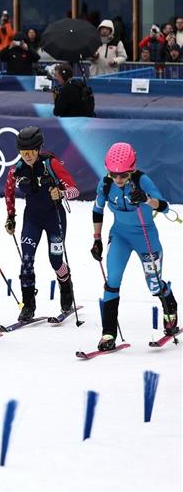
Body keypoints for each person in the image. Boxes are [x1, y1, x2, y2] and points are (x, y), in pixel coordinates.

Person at [91, 142, 178, 351]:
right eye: (114, 175)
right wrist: (97, 239)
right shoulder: (105, 185)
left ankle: (170, 309)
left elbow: (165, 207)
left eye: (123, 175)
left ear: (132, 169)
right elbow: (97, 210)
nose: (118, 180)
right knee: (112, 281)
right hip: (120, 235)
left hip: (145, 237)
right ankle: (108, 333)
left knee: (154, 285)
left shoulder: (142, 180)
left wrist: (147, 200)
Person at [3, 127, 80, 321]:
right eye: (22, 152)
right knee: (26, 260)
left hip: (54, 217)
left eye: (30, 151)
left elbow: (74, 190)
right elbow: (8, 191)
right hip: (32, 219)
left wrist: (61, 193)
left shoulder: (51, 164)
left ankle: (65, 286)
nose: (27, 156)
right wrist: (10, 216)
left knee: (55, 260)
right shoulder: (17, 169)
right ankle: (28, 304)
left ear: (38, 149)